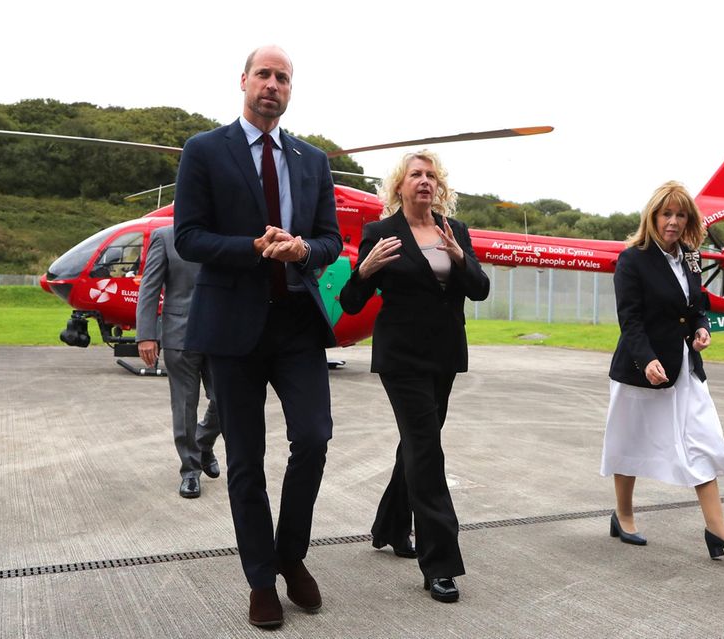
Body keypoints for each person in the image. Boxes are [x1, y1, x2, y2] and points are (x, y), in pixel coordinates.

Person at [173, 45, 342, 629]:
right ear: (243, 81)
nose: (273, 84)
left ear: (290, 90)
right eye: (264, 75)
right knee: (246, 460)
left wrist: (302, 249)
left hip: (296, 322)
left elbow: (331, 242)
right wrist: (251, 247)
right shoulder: (203, 151)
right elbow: (189, 238)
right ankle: (261, 579)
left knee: (315, 439)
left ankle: (290, 553)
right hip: (232, 327)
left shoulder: (311, 160)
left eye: (284, 78)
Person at [339, 150, 489, 603]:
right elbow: (349, 301)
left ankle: (388, 525)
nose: (423, 181)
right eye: (414, 175)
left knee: (416, 444)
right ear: (399, 187)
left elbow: (479, 290)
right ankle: (440, 561)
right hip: (402, 359)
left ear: (438, 185)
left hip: (443, 356)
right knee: (427, 449)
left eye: (430, 175)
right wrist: (364, 269)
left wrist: (461, 258)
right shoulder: (380, 233)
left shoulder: (453, 230)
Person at [600, 180, 724, 559]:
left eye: (680, 214)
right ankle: (625, 514)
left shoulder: (691, 256)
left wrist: (702, 328)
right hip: (642, 367)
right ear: (652, 216)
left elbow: (698, 305)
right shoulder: (632, 259)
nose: (673, 221)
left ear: (689, 219)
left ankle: (718, 529)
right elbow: (630, 320)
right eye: (666, 213)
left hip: (684, 367)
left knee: (703, 437)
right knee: (629, 438)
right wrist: (646, 359)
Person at [135, 224, 221, 498]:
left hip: (220, 334)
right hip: (178, 333)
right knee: (184, 406)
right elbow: (149, 287)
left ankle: (203, 442)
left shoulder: (224, 231)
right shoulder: (165, 236)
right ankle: (190, 471)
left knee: (226, 400)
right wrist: (146, 335)